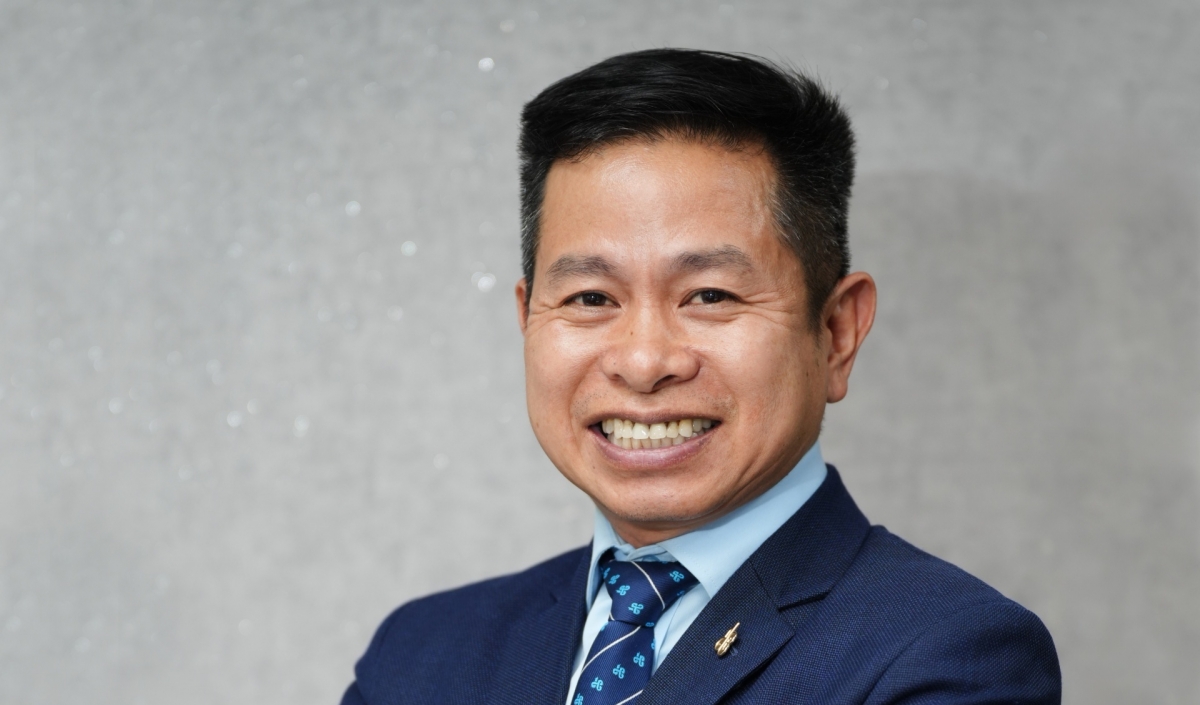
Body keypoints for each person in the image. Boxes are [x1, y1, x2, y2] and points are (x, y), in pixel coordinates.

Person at [341, 49, 1061, 704]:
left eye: (710, 294)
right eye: (590, 297)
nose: (644, 362)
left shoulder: (949, 655)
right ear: (529, 318)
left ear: (837, 333)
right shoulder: (419, 656)